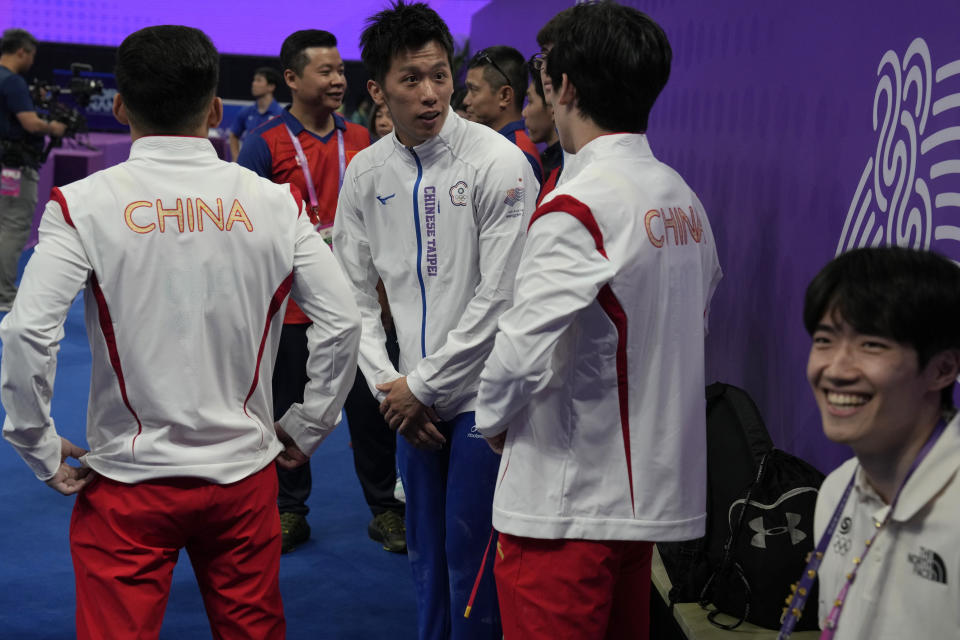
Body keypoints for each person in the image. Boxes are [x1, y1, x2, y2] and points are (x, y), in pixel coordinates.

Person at [0, 25, 361, 640]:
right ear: (217, 108)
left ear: (120, 107)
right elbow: (343, 320)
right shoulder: (274, 202)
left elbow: (28, 332)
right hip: (244, 477)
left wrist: (35, 445)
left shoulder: (81, 203)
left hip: (127, 485)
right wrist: (307, 426)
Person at [474, 4, 722, 639]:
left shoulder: (579, 205)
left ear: (565, 88)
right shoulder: (679, 195)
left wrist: (492, 421)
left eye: (542, 75)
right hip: (638, 501)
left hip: (565, 506)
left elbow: (521, 350)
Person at [333, 2, 538, 637]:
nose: (430, 94)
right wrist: (389, 386)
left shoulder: (499, 163)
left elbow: (500, 298)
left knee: (473, 565)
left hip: (483, 398)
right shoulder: (366, 172)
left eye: (441, 76)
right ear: (377, 89)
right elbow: (351, 298)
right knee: (424, 560)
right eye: (411, 79)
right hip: (406, 400)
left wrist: (422, 389)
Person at [238, 29, 407, 555]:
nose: (339, 79)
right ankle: (289, 509)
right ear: (291, 78)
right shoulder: (261, 143)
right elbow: (246, 230)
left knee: (372, 409)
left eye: (341, 70)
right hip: (290, 309)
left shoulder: (364, 140)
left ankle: (386, 508)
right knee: (289, 407)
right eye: (326, 71)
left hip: (362, 307)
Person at [784, 247, 960, 639]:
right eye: (825, 340)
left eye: (872, 345)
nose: (836, 369)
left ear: (943, 369)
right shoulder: (836, 490)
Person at [0, 28, 67, 313]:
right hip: (13, 165)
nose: (32, 61)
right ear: (22, 52)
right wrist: (54, 127)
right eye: (32, 56)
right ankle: (4, 295)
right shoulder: (13, 82)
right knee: (13, 226)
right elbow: (30, 123)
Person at [463, 45, 542, 185]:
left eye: (474, 89)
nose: (465, 101)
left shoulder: (517, 156)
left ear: (505, 96)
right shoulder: (498, 146)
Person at [521, 58, 561, 204]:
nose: (524, 113)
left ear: (551, 104)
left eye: (530, 101)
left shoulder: (557, 171)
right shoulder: (545, 161)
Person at [228, 66, 283, 160]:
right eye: (254, 80)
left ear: (271, 87)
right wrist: (236, 159)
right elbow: (233, 135)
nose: (253, 83)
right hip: (249, 167)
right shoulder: (246, 112)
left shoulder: (281, 114)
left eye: (259, 80)